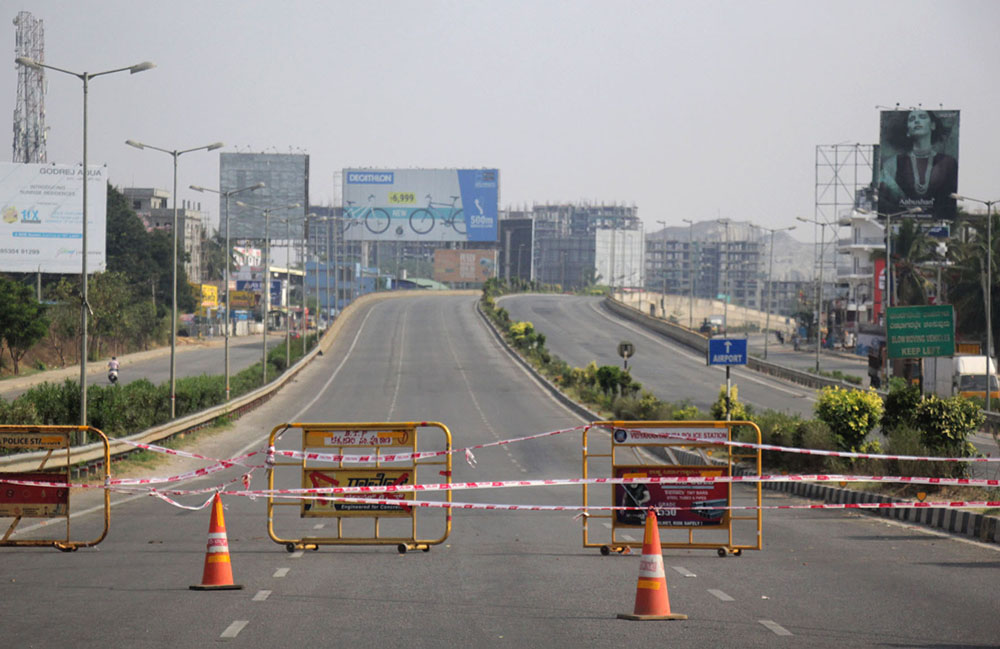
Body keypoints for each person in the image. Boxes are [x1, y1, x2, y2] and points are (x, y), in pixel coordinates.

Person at [878, 109, 958, 220]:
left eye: (922, 117)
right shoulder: (892, 163)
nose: (916, 121)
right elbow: (885, 197)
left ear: (933, 125)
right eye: (912, 119)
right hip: (901, 221)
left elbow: (948, 202)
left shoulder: (948, 163)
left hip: (939, 222)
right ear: (908, 131)